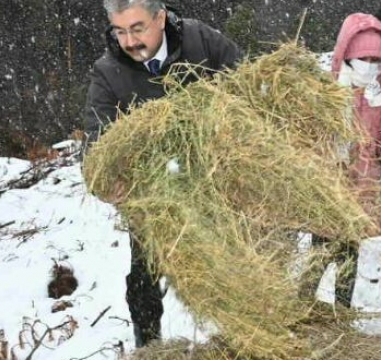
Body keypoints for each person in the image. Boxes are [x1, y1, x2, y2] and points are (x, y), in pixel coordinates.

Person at [83, 0, 242, 348]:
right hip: (153, 196)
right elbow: (96, 141)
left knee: (234, 267)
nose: (130, 41)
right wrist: (106, 179)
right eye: (120, 31)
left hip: (216, 183)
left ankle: (242, 340)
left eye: (138, 28)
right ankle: (149, 345)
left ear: (160, 17)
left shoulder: (202, 43)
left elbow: (245, 85)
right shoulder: (108, 73)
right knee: (144, 275)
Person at [331, 13, 381, 233]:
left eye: (376, 61)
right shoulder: (329, 92)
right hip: (331, 178)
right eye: (364, 59)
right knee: (326, 233)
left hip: (365, 180)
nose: (370, 67)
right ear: (348, 57)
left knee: (352, 243)